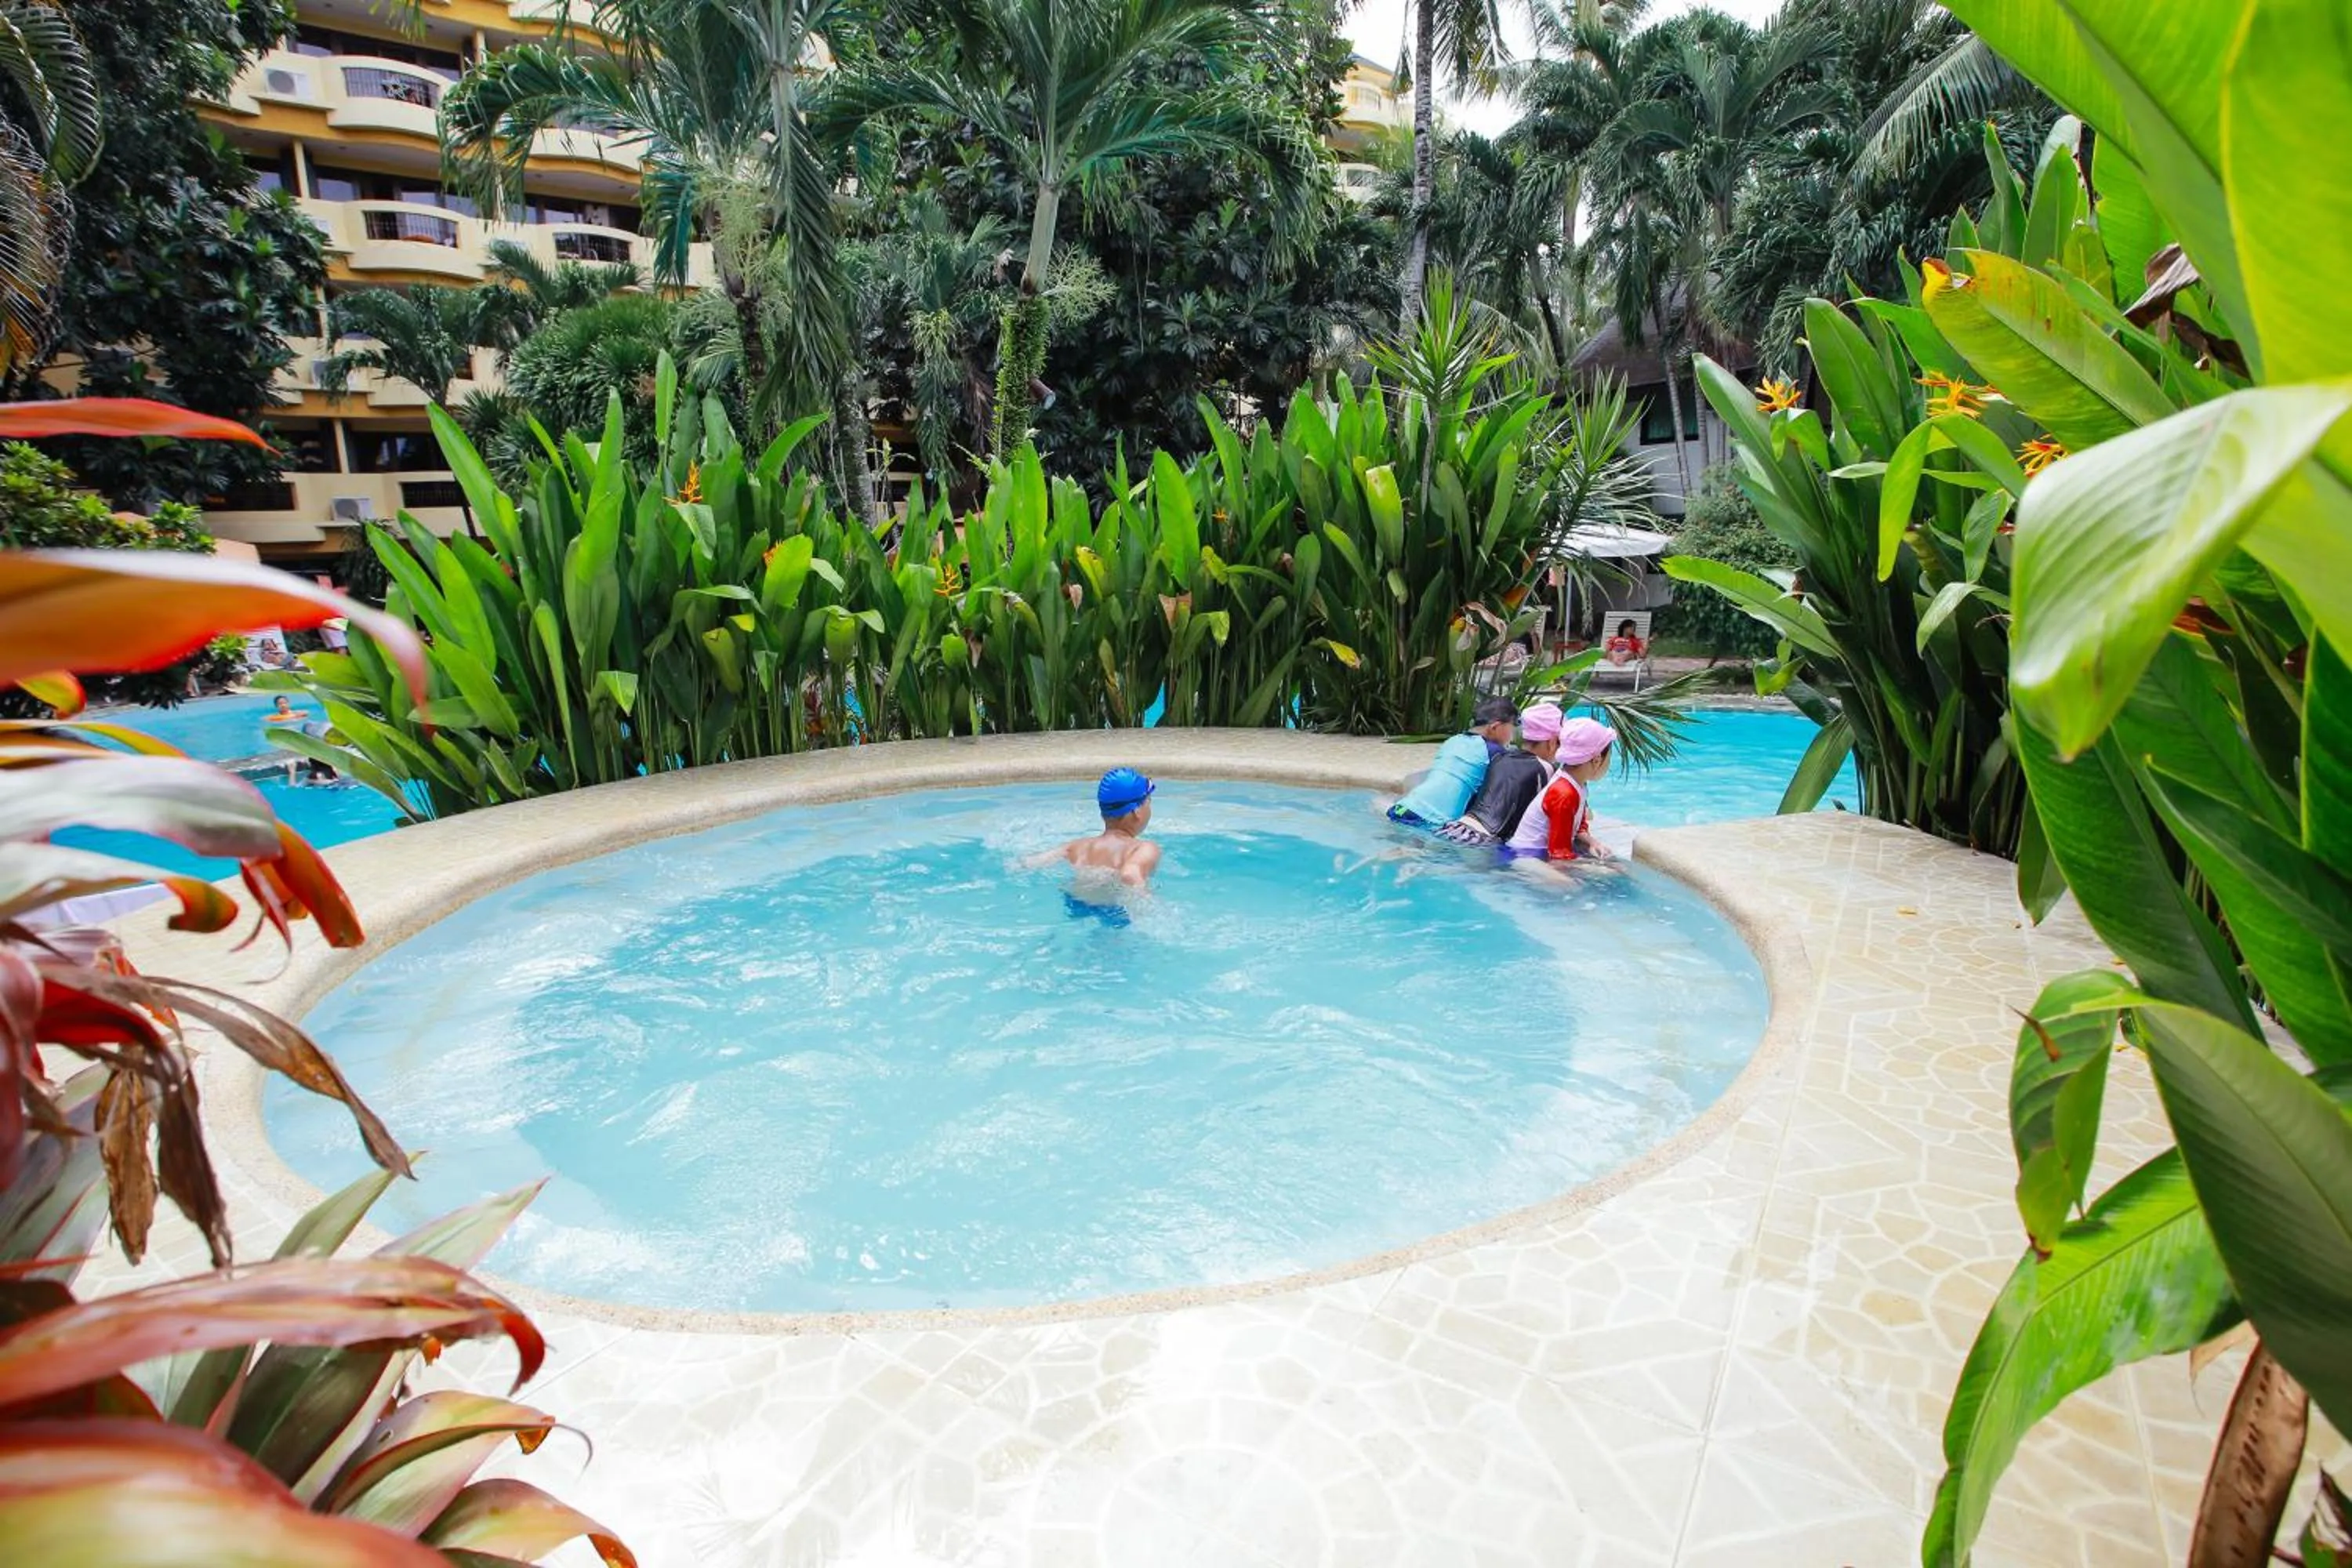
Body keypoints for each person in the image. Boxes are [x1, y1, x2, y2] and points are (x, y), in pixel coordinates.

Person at [1439, 702, 1566, 845]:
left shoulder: (1499, 758)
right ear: (1551, 742)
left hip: (1454, 828)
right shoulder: (1547, 769)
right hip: (1482, 841)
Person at [1388, 696, 1517, 829]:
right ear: (1495, 727)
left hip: (1403, 808)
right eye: (1513, 727)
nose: (1513, 736)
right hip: (1434, 821)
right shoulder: (1495, 753)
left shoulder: (1453, 741)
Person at [1503, 717, 1617, 861]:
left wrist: (1592, 843)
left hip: (1540, 852)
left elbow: (1578, 826)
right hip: (1525, 855)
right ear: (1596, 760)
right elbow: (1559, 854)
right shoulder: (1564, 793)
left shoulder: (1577, 784)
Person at [1051, 767, 1163, 887]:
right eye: (1149, 801)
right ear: (1137, 811)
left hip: (1074, 902)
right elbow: (1130, 875)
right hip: (1116, 904)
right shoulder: (1143, 849)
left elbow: (1031, 863)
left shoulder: (1074, 848)